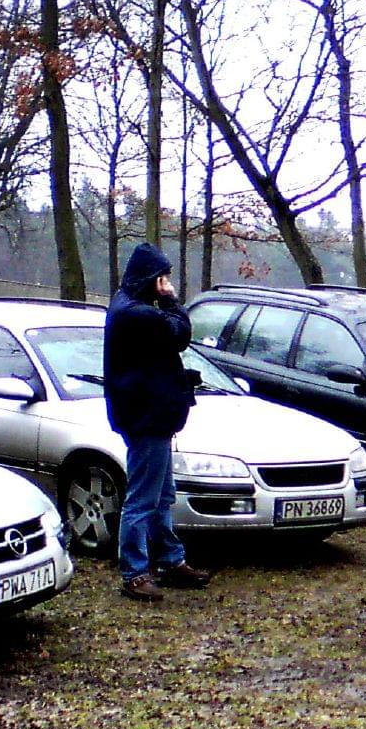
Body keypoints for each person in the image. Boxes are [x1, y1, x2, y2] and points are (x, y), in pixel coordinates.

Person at [105, 242, 212, 602]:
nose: (166, 283)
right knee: (142, 499)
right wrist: (171, 300)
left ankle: (169, 559)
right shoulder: (137, 314)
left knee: (161, 495)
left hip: (149, 414)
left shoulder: (126, 306)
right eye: (162, 277)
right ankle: (134, 572)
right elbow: (180, 333)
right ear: (151, 279)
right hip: (147, 416)